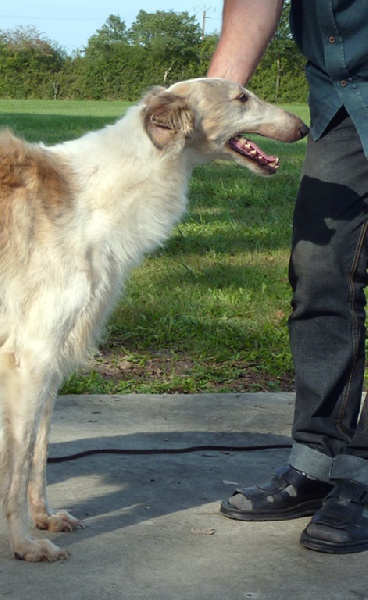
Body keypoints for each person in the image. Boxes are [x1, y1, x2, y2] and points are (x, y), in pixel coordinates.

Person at [207, 0, 368, 554]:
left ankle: (364, 475)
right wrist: (214, 103)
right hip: (344, 99)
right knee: (321, 269)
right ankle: (317, 462)